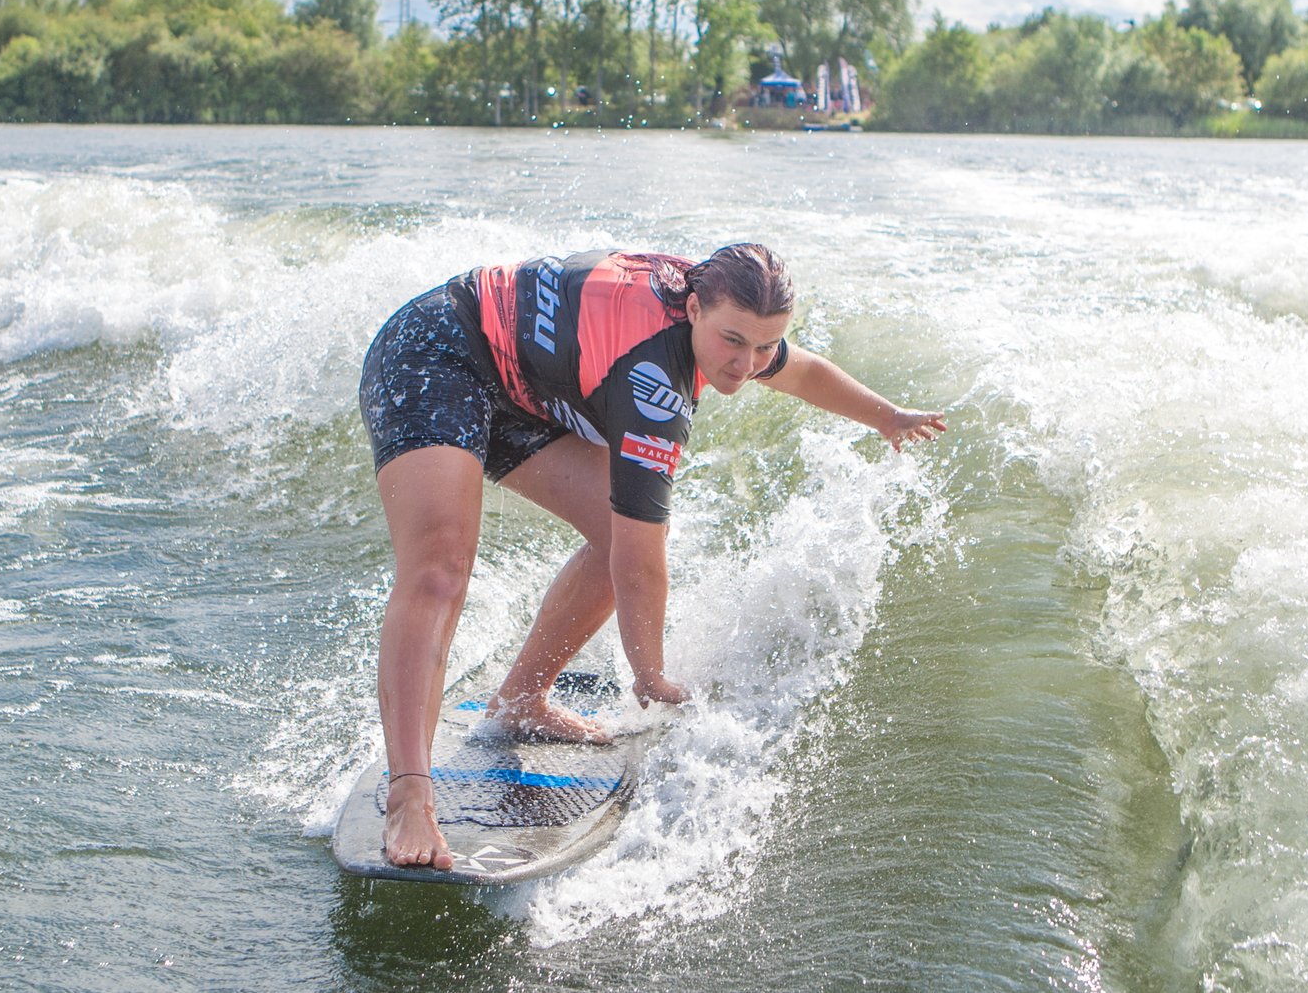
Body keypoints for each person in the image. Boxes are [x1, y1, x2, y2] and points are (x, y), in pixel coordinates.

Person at [357, 244, 946, 870]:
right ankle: (411, 797)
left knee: (610, 536)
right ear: (692, 308)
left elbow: (798, 370)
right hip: (435, 351)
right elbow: (641, 559)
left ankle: (520, 701)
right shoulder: (652, 382)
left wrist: (887, 417)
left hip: (519, 384)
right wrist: (650, 674)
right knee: (440, 572)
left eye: (764, 345)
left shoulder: (724, 317)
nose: (747, 365)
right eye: (734, 342)